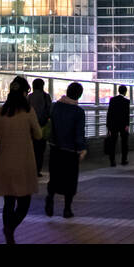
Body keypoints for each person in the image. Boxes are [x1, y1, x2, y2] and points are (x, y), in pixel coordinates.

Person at [0, 75, 43, 243]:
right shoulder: (28, 112)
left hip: (4, 164)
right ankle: (10, 228)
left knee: (8, 202)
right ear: (25, 93)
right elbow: (38, 134)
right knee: (24, 203)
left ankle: (9, 236)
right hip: (23, 164)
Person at [45, 82, 88, 218]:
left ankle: (50, 198)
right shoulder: (79, 112)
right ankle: (67, 209)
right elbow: (79, 133)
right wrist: (82, 148)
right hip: (71, 151)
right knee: (70, 180)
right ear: (79, 95)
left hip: (55, 148)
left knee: (54, 176)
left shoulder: (55, 106)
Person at [28, 78, 52, 176]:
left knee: (31, 149)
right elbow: (50, 111)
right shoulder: (46, 96)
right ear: (42, 86)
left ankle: (30, 169)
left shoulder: (29, 97)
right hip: (42, 127)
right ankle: (37, 170)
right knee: (40, 150)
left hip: (30, 128)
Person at [106, 84, 131, 167]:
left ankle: (112, 161)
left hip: (113, 124)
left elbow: (109, 113)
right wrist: (127, 125)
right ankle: (124, 160)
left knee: (113, 143)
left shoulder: (112, 100)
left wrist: (108, 126)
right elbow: (127, 114)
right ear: (125, 92)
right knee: (124, 143)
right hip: (123, 125)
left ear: (118, 91)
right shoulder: (126, 101)